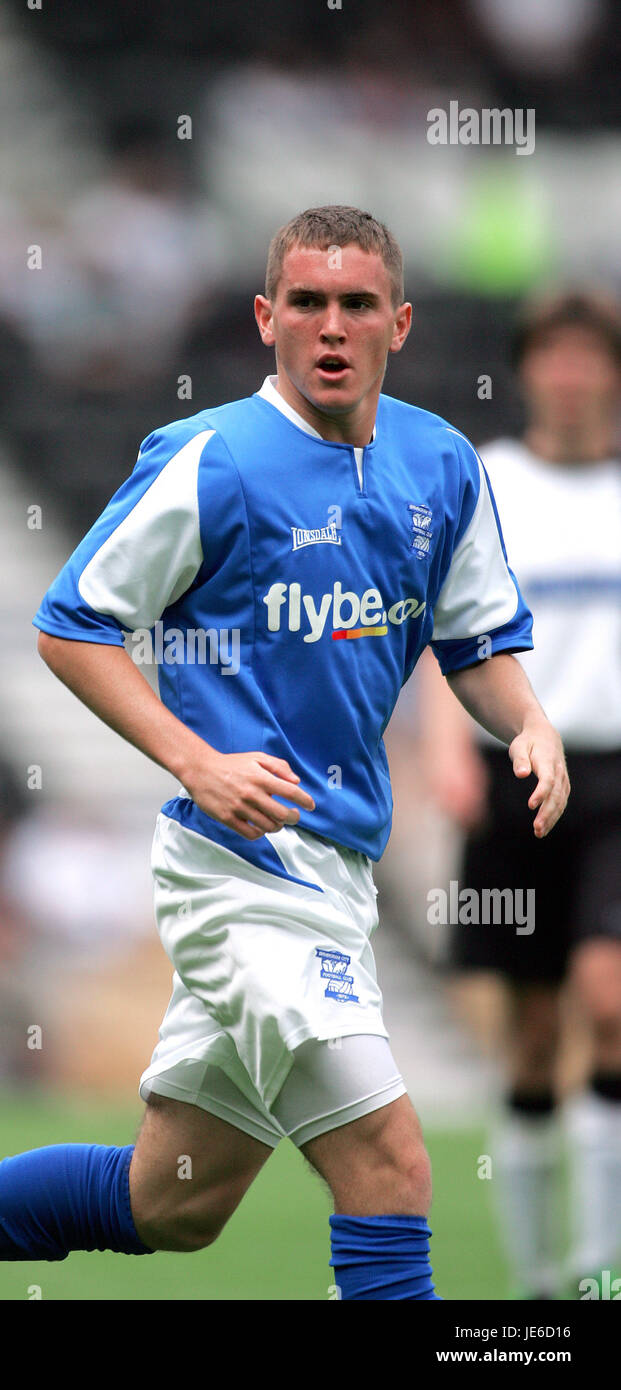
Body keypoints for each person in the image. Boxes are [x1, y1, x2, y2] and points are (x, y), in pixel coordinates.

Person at [0, 206, 569, 1302]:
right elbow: (71, 623)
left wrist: (525, 719)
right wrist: (196, 759)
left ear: (401, 321)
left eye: (357, 304)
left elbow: (473, 641)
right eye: (307, 302)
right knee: (389, 1166)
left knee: (168, 1202)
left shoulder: (438, 463)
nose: (331, 326)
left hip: (334, 873)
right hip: (240, 875)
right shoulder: (213, 459)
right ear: (264, 317)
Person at [422, 289, 621, 1299]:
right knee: (533, 1031)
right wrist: (442, 746)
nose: (571, 373)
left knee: (608, 996)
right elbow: (438, 620)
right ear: (532, 369)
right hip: (510, 771)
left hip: (616, 778)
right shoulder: (487, 480)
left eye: (590, 356)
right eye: (554, 355)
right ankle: (538, 1275)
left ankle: (597, 1267)